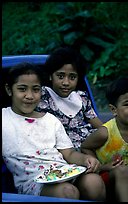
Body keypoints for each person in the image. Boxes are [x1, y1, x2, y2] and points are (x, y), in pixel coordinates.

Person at [2, 62, 106, 201]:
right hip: (33, 182)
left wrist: (86, 159)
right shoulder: (4, 118)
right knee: (68, 192)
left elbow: (68, 153)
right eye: (22, 89)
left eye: (35, 89)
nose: (30, 96)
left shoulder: (50, 120)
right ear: (9, 90)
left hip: (64, 171)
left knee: (94, 183)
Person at [81, 76, 128, 202]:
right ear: (114, 110)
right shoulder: (106, 132)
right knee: (122, 171)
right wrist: (103, 167)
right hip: (107, 177)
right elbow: (85, 147)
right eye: (127, 104)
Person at [36, 47, 103, 151]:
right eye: (60, 76)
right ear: (50, 76)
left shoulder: (81, 97)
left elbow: (98, 125)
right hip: (64, 149)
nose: (66, 83)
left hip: (89, 143)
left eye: (72, 77)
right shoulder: (43, 96)